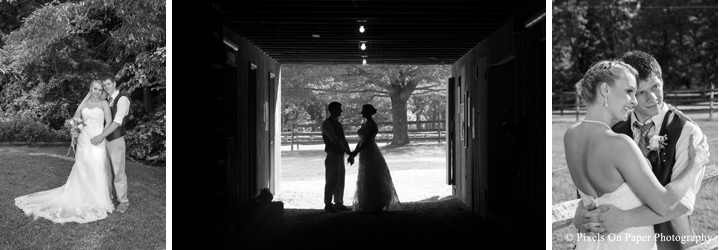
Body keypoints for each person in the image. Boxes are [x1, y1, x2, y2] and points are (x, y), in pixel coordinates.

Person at [564, 60, 709, 249]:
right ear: (606, 90)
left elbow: (591, 198)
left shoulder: (571, 135)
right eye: (630, 91)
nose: (634, 101)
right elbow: (663, 203)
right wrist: (696, 164)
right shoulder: (619, 143)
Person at [14, 80, 115, 223]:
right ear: (90, 88)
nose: (97, 92)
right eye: (95, 89)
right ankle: (82, 196)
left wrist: (101, 137)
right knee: (83, 167)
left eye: (100, 90)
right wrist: (75, 133)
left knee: (97, 167)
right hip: (84, 141)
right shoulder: (83, 106)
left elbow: (109, 122)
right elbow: (77, 122)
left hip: (98, 140)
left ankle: (99, 199)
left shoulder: (104, 104)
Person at [347, 104, 400, 213]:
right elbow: (361, 140)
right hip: (364, 151)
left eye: (364, 111)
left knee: (372, 174)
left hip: (370, 151)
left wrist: (356, 151)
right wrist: (355, 152)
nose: (362, 113)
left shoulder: (373, 125)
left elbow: (367, 141)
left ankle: (377, 201)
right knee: (365, 174)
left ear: (368, 112)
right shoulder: (365, 124)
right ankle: (367, 201)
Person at [90, 74, 130, 213]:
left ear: (114, 83)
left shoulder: (122, 99)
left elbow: (117, 122)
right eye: (104, 85)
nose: (106, 87)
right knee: (105, 170)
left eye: (108, 84)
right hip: (103, 142)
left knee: (118, 171)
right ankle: (107, 197)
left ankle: (123, 201)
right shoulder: (105, 99)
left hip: (115, 140)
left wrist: (101, 136)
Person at [321, 102, 353, 213]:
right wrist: (348, 152)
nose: (341, 111)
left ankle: (339, 203)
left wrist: (349, 153)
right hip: (332, 154)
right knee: (332, 180)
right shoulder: (327, 123)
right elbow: (334, 139)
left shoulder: (338, 124)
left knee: (340, 179)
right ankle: (328, 204)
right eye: (339, 109)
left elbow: (343, 140)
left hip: (339, 155)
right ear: (333, 109)